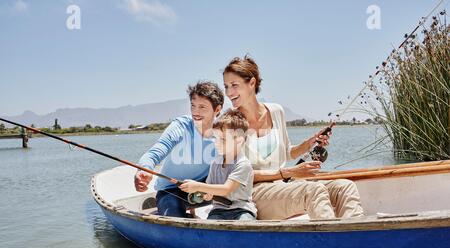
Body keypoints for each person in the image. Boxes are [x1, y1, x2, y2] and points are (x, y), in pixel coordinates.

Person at [222, 55, 364, 220]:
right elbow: (236, 175)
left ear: (252, 83)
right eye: (226, 86)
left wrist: (309, 143)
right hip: (253, 194)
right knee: (313, 191)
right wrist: (288, 172)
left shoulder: (275, 111)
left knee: (345, 187)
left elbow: (287, 152)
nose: (228, 93)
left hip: (283, 186)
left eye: (234, 85)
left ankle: (352, 237)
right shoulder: (230, 123)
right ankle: (331, 241)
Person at [134, 81, 223, 217]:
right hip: (171, 190)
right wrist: (143, 170)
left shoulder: (224, 132)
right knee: (173, 213)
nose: (196, 112)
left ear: (217, 110)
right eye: (193, 106)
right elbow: (155, 152)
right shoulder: (181, 126)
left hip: (204, 188)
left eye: (202, 107)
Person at [179, 109, 256, 221]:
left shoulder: (243, 164)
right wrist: (206, 194)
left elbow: (226, 189)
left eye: (223, 139)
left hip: (242, 210)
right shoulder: (215, 163)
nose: (217, 143)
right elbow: (210, 188)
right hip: (218, 210)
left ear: (239, 141)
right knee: (209, 227)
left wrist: (197, 186)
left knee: (245, 224)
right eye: (216, 138)